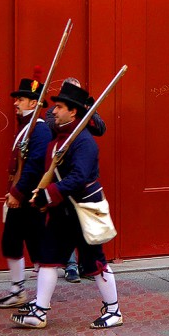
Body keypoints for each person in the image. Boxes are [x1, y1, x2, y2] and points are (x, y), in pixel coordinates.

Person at [12, 81, 122, 329]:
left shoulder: (84, 141)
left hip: (83, 210)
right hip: (63, 211)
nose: (54, 111)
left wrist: (47, 195)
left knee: (95, 261)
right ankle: (39, 311)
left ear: (73, 111)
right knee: (49, 257)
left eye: (59, 107)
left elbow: (78, 177)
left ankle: (114, 310)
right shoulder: (60, 137)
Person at [0, 70, 50, 308]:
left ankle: (40, 296)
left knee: (38, 247)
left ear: (34, 102)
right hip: (19, 195)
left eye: (21, 99)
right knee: (11, 242)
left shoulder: (40, 129)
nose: (15, 102)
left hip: (31, 199)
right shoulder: (25, 127)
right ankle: (18, 291)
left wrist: (18, 193)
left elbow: (35, 166)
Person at [58, 77, 107, 284]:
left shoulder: (85, 120)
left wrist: (88, 109)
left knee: (90, 240)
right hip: (64, 175)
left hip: (82, 180)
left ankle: (87, 266)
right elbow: (54, 125)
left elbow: (100, 128)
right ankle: (70, 265)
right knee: (61, 234)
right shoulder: (58, 113)